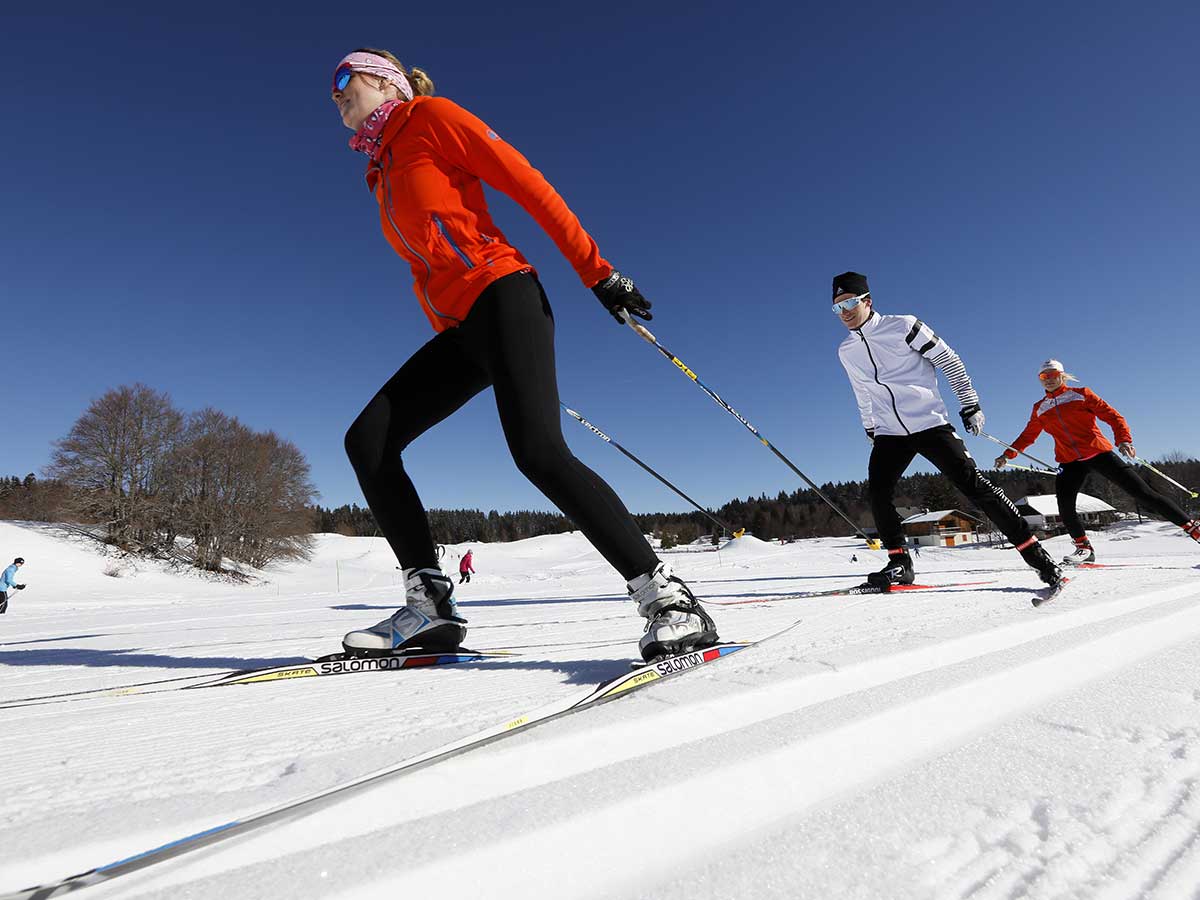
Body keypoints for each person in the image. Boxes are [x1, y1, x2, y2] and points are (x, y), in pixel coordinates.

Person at [329, 49, 718, 662]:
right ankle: (428, 607)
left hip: (504, 295)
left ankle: (667, 599)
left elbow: (528, 183)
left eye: (343, 81)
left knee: (538, 452)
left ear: (382, 79)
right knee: (369, 442)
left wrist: (599, 272)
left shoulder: (430, 117)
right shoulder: (381, 166)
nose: (336, 97)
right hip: (463, 328)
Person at [831, 272, 1064, 591]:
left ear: (868, 301)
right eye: (838, 307)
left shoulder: (903, 326)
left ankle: (1039, 558)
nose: (844, 312)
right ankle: (900, 564)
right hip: (889, 432)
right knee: (878, 491)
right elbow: (861, 391)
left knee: (976, 486)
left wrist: (970, 404)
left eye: (850, 303)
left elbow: (949, 359)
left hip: (929, 423)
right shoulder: (846, 351)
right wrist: (870, 426)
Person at [996, 359, 1200, 563]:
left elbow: (1114, 417)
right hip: (1069, 461)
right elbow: (1028, 435)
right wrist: (1008, 454)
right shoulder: (1040, 408)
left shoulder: (1081, 394)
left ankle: (1193, 528)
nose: (1049, 380)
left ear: (1062, 375)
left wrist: (1124, 440)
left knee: (1143, 493)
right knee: (1065, 506)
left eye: (1053, 375)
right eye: (1044, 376)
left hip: (1098, 452)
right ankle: (1084, 548)